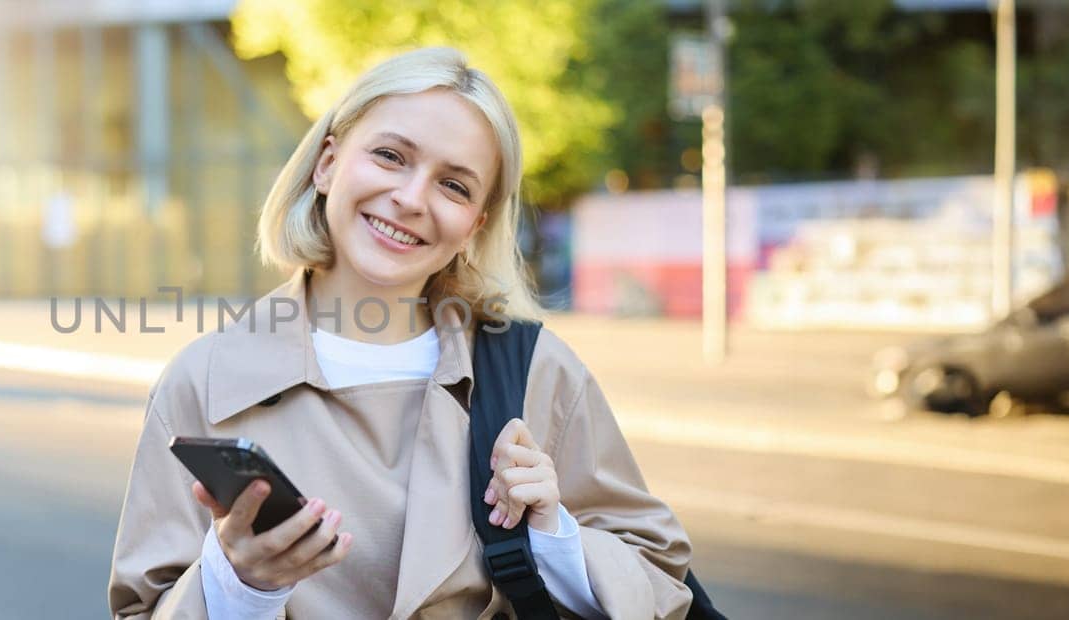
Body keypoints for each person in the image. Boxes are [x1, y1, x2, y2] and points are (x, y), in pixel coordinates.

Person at [109, 47, 693, 619]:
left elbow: (661, 583)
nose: (412, 198)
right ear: (327, 163)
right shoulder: (204, 382)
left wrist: (557, 538)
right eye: (390, 156)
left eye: (455, 186)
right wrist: (241, 587)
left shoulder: (536, 370)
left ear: (474, 227)